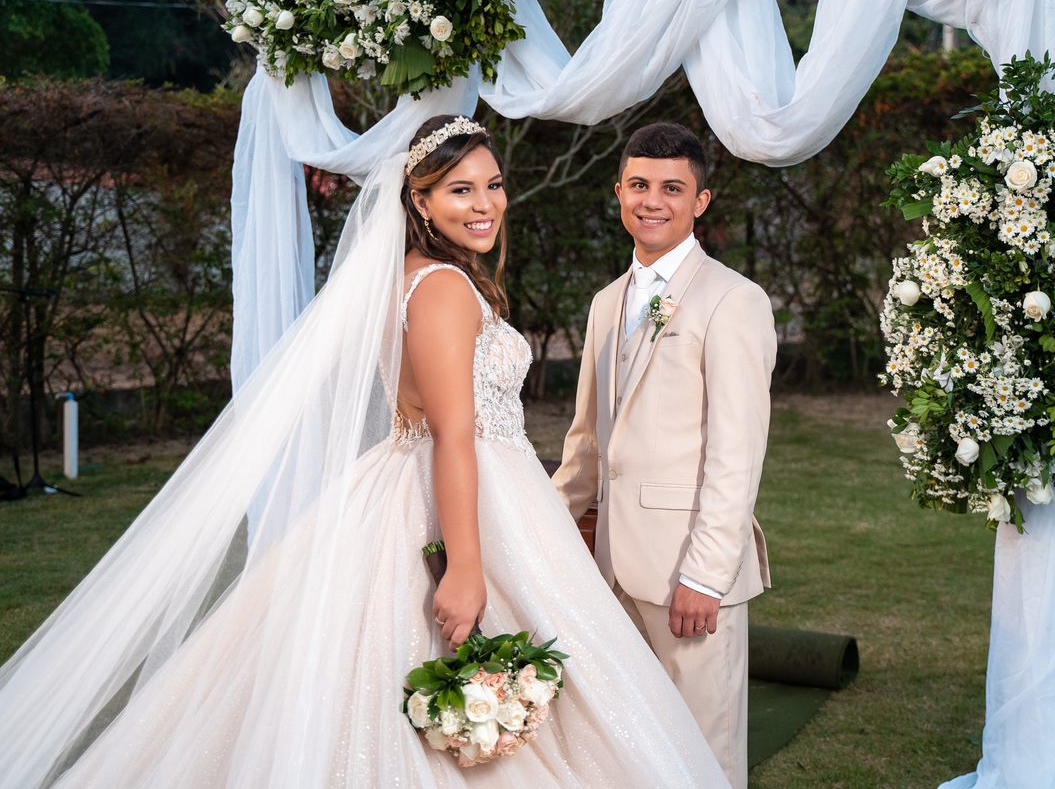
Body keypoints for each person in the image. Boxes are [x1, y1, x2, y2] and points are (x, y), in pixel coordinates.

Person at [0, 116, 729, 788]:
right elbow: (453, 433)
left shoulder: (422, 276)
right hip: (462, 497)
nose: (485, 204)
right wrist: (466, 570)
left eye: (494, 185)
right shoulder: (442, 287)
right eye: (459, 190)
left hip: (452, 486)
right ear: (417, 201)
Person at [553, 122, 777, 789]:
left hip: (687, 569)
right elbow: (587, 441)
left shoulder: (734, 301)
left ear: (700, 202)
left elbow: (737, 454)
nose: (653, 200)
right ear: (618, 191)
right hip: (610, 567)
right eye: (640, 185)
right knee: (621, 747)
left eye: (672, 188)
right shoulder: (604, 304)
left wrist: (706, 575)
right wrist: (540, 524)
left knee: (700, 753)